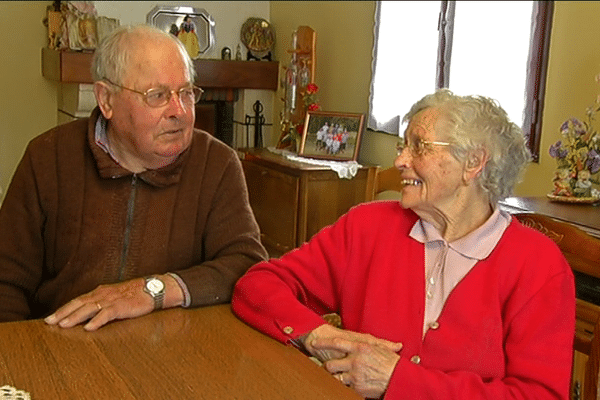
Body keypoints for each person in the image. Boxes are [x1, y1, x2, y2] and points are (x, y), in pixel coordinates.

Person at [232, 89, 575, 399]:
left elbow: (540, 395)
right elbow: (258, 286)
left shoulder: (538, 265)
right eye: (403, 146)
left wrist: (399, 380)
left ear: (473, 162)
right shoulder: (367, 227)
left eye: (419, 146)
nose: (400, 160)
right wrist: (318, 335)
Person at [0, 24, 268, 330]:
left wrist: (153, 290)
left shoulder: (217, 164)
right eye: (158, 95)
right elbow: (6, 281)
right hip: (64, 345)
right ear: (107, 100)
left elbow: (246, 265)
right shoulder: (48, 157)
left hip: (172, 353)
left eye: (186, 93)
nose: (179, 111)